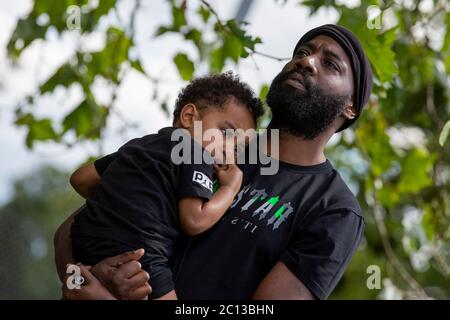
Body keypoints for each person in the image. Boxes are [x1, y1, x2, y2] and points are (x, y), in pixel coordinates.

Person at [55, 24, 373, 300]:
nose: (306, 61)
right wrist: (81, 280)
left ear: (350, 107)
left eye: (330, 64)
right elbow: (70, 232)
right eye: (303, 51)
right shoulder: (208, 143)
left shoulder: (334, 210)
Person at [67, 72, 264, 299]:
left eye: (240, 147)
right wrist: (229, 188)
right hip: (141, 253)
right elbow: (194, 220)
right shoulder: (196, 153)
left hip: (83, 240)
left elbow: (80, 179)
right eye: (227, 133)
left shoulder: (141, 144)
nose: (230, 151)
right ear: (189, 116)